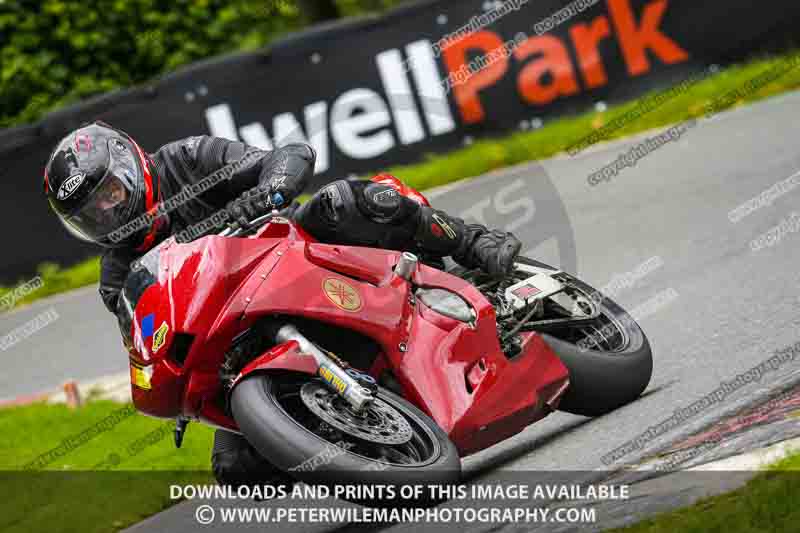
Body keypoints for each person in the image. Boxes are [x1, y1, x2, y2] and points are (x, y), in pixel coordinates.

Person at [43, 121, 521, 487]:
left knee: (348, 202)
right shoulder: (117, 278)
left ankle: (472, 242)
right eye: (90, 213)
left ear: (129, 167)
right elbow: (152, 338)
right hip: (237, 336)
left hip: (295, 252)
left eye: (108, 193)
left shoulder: (187, 159)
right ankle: (350, 441)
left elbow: (286, 156)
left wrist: (267, 192)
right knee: (236, 471)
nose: (106, 212)